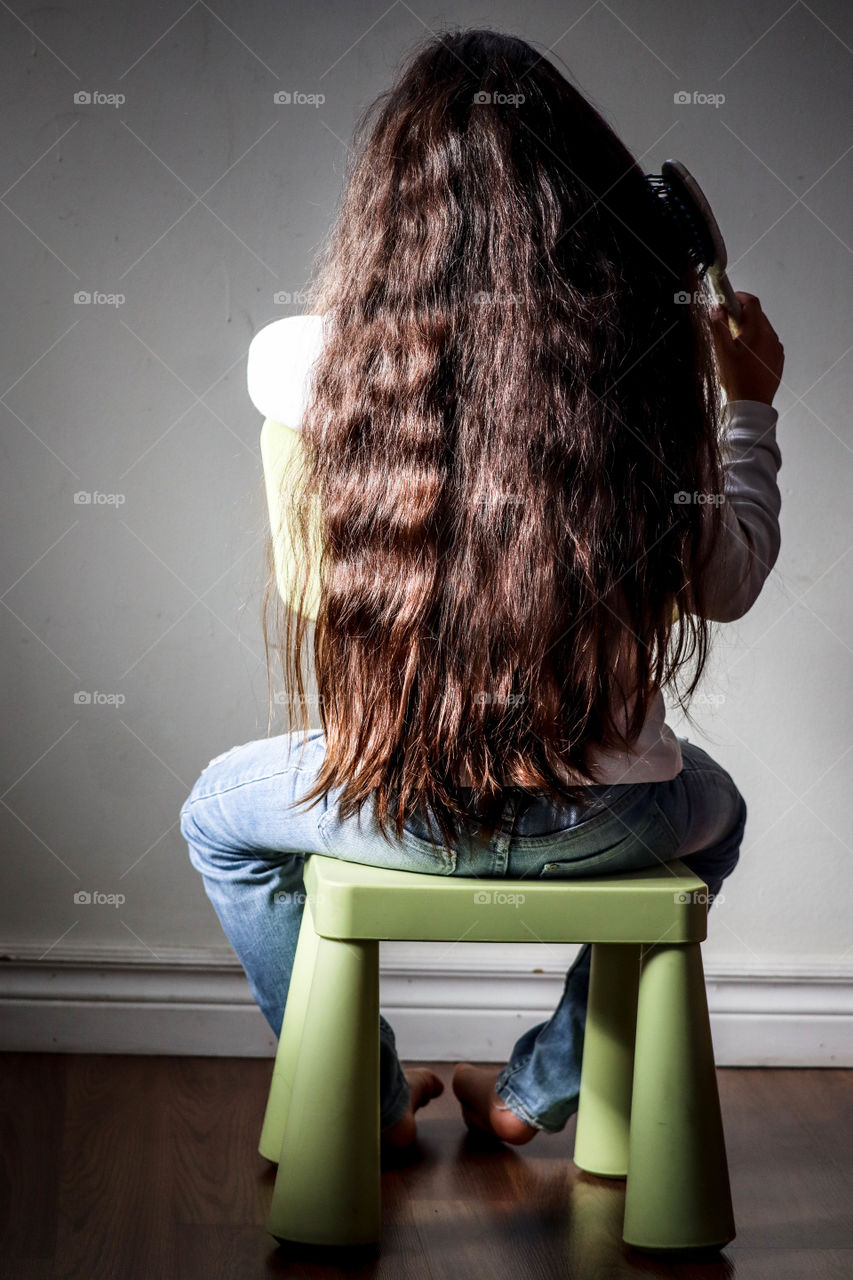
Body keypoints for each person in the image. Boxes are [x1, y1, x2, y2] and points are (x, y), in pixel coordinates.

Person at [180, 28, 784, 1151]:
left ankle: (356, 1100)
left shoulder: (313, 368)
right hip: (606, 817)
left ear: (391, 221)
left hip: (390, 803)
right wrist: (743, 401)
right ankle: (536, 1088)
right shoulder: (651, 386)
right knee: (718, 817)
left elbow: (316, 585)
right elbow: (730, 578)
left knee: (219, 814)